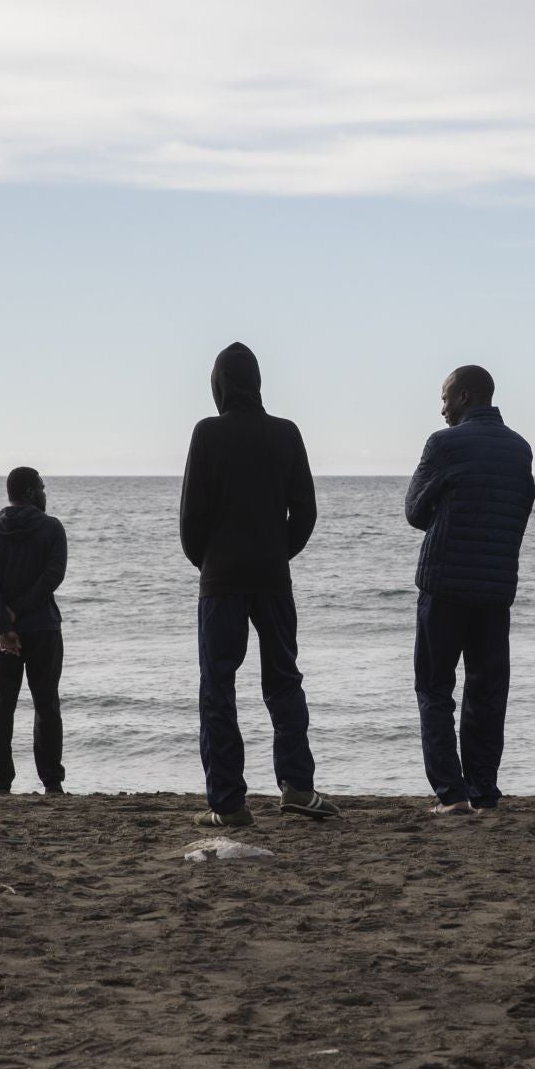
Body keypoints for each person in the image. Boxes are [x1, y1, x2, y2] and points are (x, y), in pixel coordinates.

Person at [178, 343, 339, 828]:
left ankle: (227, 803)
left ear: (220, 385)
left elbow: (191, 519)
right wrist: (276, 552)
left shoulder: (206, 433)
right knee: (284, 681)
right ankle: (297, 787)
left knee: (218, 688)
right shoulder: (286, 433)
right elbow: (305, 512)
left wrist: (209, 561)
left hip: (221, 580)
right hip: (272, 577)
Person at [404, 366, 535, 815]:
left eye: (444, 398)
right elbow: (522, 507)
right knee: (487, 690)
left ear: (463, 396)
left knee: (435, 689)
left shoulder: (443, 444)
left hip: (443, 584)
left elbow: (415, 512)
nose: (441, 408)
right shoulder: (520, 449)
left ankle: (451, 794)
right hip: (496, 589)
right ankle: (483, 792)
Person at [0, 467, 69, 795]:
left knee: (0, 706)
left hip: (1, 632)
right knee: (46, 705)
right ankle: (52, 782)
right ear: (29, 492)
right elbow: (52, 577)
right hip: (43, 627)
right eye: (41, 488)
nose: (45, 494)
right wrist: (19, 612)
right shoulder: (52, 528)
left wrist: (5, 622)